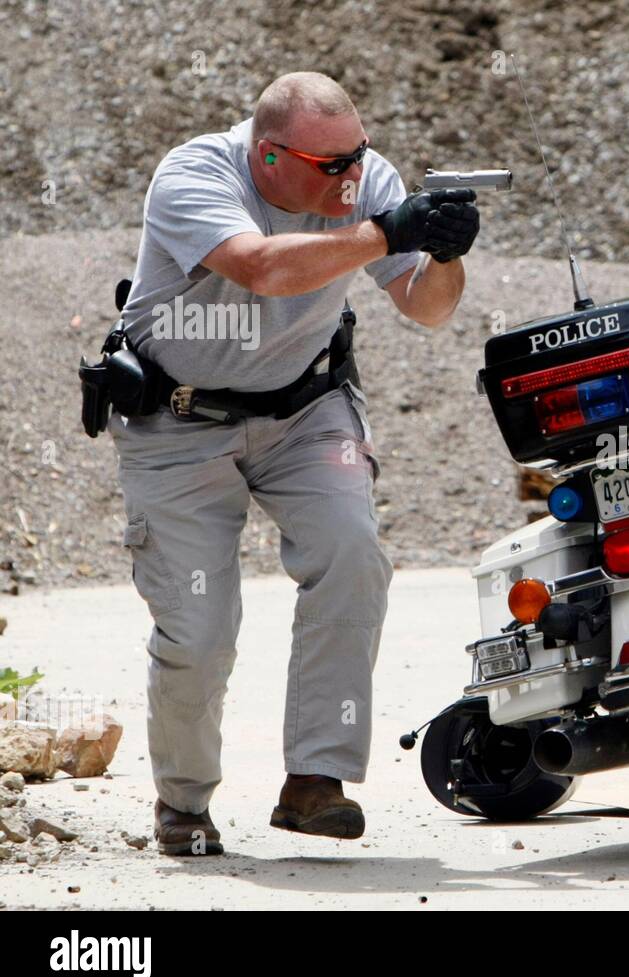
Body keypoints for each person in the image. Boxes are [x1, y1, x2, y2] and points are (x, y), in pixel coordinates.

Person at [108, 71, 479, 856]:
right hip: (178, 420)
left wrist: (444, 254)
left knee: (353, 556)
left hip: (306, 411)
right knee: (200, 628)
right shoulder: (195, 174)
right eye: (332, 165)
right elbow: (262, 266)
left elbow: (428, 307)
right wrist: (387, 233)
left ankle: (316, 779)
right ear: (268, 155)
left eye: (360, 154)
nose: (354, 176)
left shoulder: (362, 179)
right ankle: (184, 801)